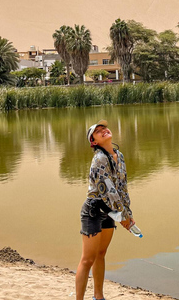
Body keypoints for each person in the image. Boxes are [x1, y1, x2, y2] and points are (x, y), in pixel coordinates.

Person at [76, 119, 135, 300]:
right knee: (88, 259)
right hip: (94, 210)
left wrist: (128, 214)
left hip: (110, 210)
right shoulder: (99, 159)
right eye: (98, 131)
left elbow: (122, 187)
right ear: (94, 141)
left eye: (105, 128)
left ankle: (98, 297)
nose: (104, 131)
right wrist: (122, 215)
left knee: (101, 254)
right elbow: (108, 190)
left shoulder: (120, 156)